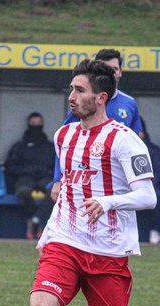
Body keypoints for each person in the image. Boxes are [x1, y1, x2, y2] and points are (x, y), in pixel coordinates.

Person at [0, 59, 156, 306]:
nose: (71, 96)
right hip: (64, 244)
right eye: (71, 88)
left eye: (79, 90)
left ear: (101, 98)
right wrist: (51, 229)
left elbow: (148, 196)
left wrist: (108, 202)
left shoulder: (125, 141)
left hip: (108, 255)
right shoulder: (63, 136)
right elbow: (67, 186)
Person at [51, 48, 143, 202]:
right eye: (105, 69)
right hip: (87, 175)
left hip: (117, 178)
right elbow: (64, 144)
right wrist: (57, 179)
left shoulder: (129, 103)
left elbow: (137, 138)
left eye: (114, 69)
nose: (110, 73)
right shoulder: (83, 104)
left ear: (120, 72)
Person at [4, 112, 55, 240]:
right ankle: (37, 220)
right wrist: (26, 171)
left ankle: (33, 220)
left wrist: (44, 172)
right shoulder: (19, 146)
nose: (36, 127)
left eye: (38, 124)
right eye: (33, 124)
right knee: (23, 191)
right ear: (28, 124)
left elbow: (57, 167)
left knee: (55, 191)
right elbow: (10, 166)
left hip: (45, 178)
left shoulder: (50, 147)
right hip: (26, 177)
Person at [139, 118, 160, 245]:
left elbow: (158, 171)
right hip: (127, 186)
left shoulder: (153, 149)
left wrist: (145, 186)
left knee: (158, 196)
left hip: (149, 185)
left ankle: (155, 230)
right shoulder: (123, 148)